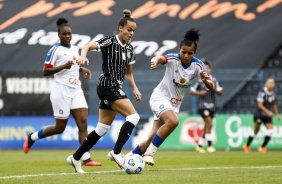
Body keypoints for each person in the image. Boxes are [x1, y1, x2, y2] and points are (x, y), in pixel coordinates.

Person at [66, 9, 142, 173]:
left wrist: (135, 89)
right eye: (129, 30)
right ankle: (116, 152)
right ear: (120, 28)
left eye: (134, 31)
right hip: (107, 86)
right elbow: (88, 45)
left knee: (101, 128)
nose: (131, 33)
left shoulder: (130, 49)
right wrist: (83, 55)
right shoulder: (110, 42)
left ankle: (76, 157)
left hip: (115, 87)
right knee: (134, 116)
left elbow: (128, 73)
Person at [23, 18, 101, 167]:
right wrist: (63, 66)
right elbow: (45, 71)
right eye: (64, 34)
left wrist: (81, 68)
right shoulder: (55, 50)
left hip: (76, 89)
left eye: (69, 33)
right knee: (60, 128)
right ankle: (32, 137)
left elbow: (72, 65)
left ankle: (86, 158)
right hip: (61, 90)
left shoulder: (75, 48)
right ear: (59, 35)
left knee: (83, 123)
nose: (67, 36)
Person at [131, 29, 214, 166]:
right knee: (173, 121)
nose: (186, 55)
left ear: (194, 53)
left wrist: (205, 81)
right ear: (179, 50)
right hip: (160, 98)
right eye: (183, 52)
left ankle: (128, 158)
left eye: (189, 53)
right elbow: (160, 58)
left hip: (174, 104)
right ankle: (149, 153)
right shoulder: (173, 59)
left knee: (152, 137)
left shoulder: (198, 65)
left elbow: (211, 86)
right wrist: (155, 60)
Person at [190, 59, 223, 153]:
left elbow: (220, 92)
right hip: (202, 105)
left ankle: (200, 146)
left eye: (207, 68)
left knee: (207, 126)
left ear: (210, 69)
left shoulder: (215, 80)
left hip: (212, 105)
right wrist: (201, 93)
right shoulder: (199, 80)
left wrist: (214, 88)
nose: (206, 70)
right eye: (205, 68)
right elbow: (192, 91)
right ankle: (209, 145)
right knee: (209, 123)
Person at [244, 78, 280, 153]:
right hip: (259, 115)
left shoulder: (273, 94)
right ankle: (247, 146)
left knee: (271, 130)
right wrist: (268, 112)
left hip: (267, 116)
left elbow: (273, 105)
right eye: (270, 82)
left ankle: (262, 147)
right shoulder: (262, 92)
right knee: (256, 131)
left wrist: (277, 114)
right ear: (266, 84)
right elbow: (259, 105)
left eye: (273, 83)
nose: (271, 84)